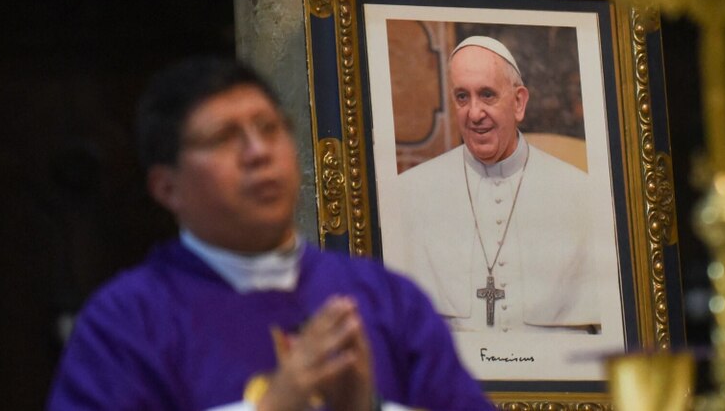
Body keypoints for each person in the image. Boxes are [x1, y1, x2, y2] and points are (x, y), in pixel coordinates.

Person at [47, 57, 492, 411]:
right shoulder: (127, 320)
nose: (258, 152)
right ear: (167, 187)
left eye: (269, 128)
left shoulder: (385, 298)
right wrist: (272, 407)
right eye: (224, 138)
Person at [397, 36, 600, 334]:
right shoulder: (410, 193)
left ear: (518, 102)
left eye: (488, 95)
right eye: (462, 97)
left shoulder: (581, 193)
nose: (474, 113)